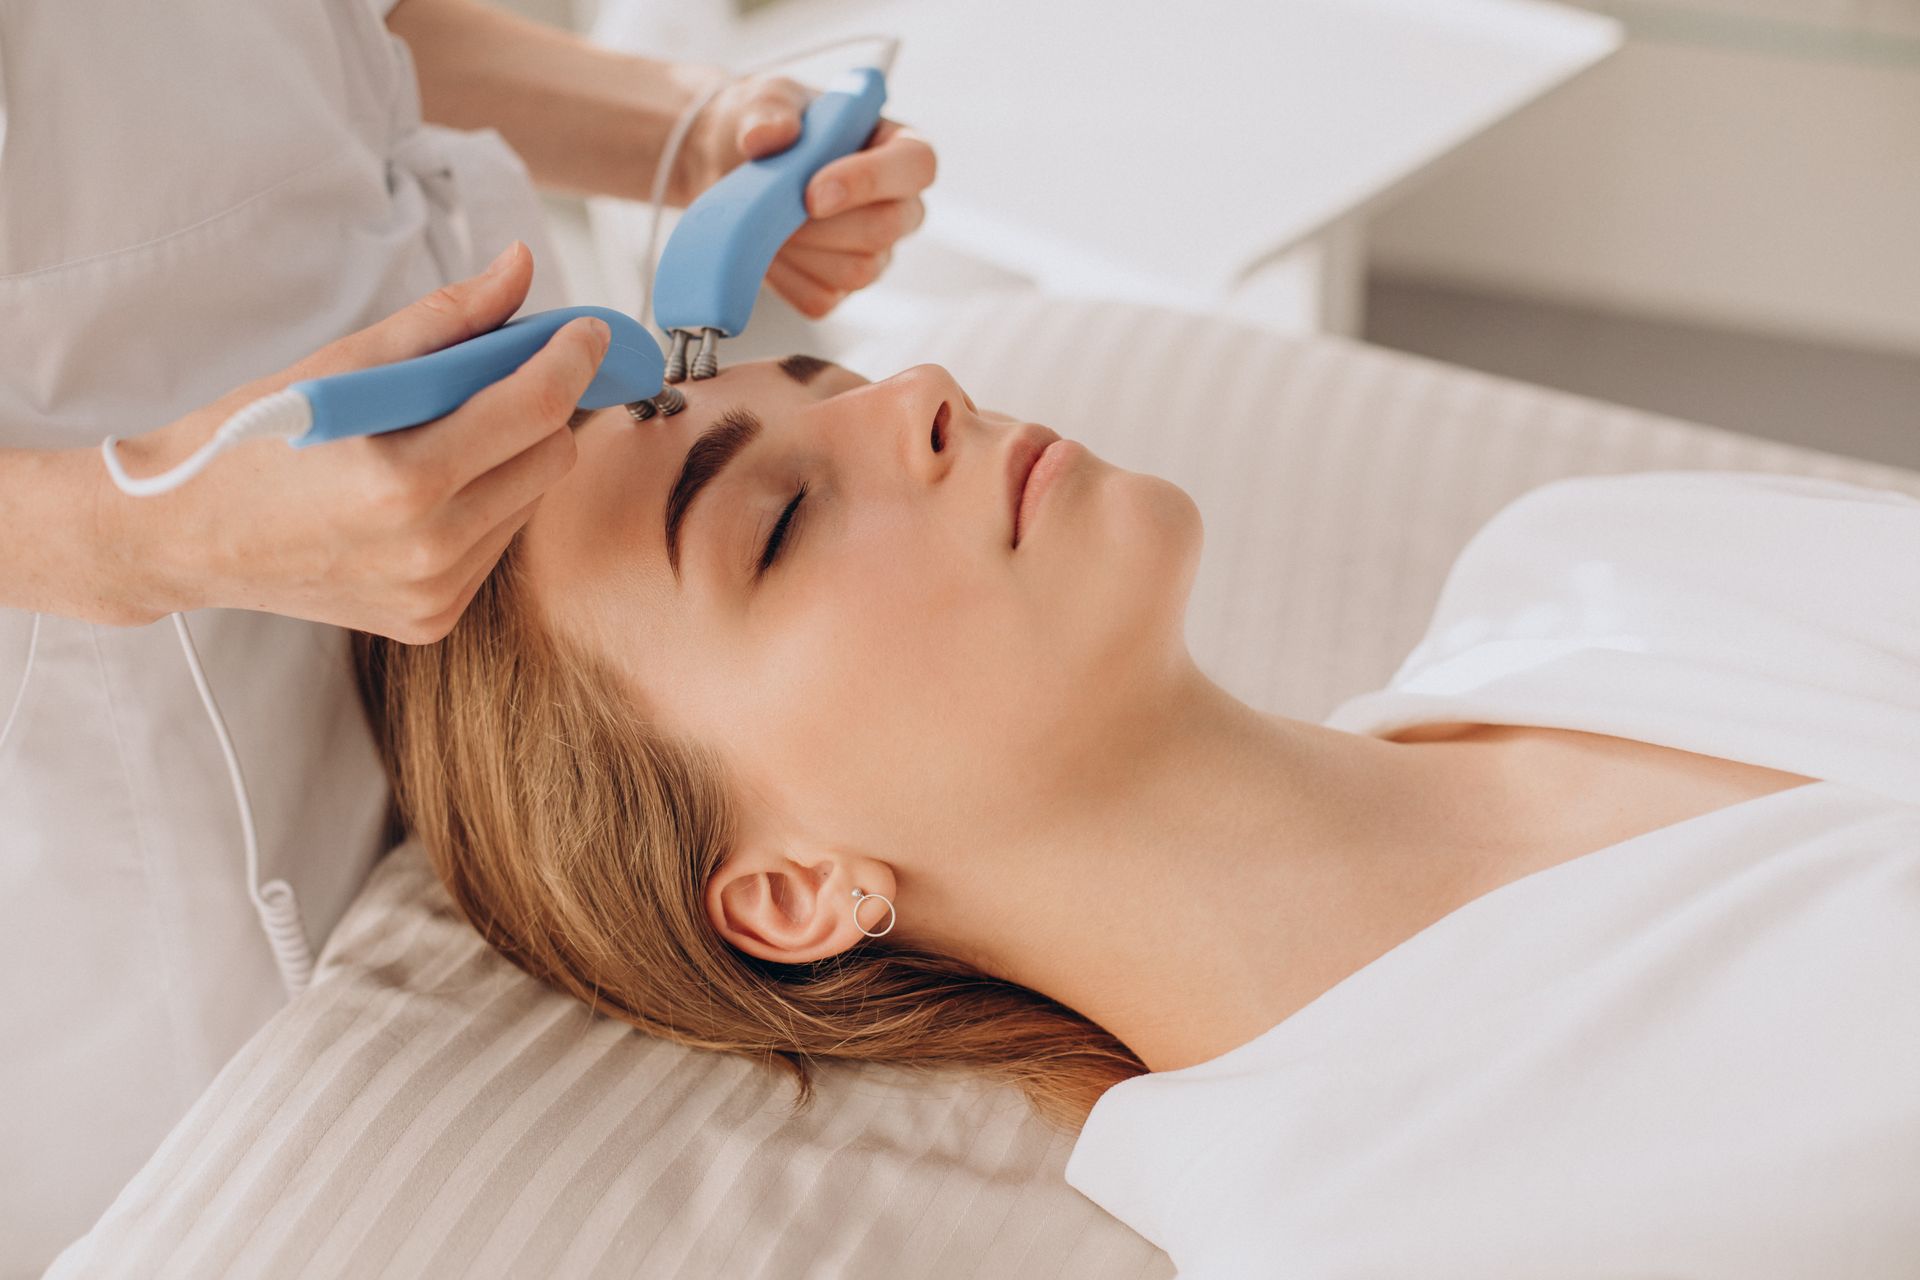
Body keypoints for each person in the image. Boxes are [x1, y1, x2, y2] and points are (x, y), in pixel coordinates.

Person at [354, 355, 1920, 1275]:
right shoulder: (1380, 1213)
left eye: (828, 376)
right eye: (778, 520)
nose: (920, 392)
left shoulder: (1587, 568)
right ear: (790, 894)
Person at [0, 1, 935, 1269]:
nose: (933, 393)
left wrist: (688, 128)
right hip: (132, 779)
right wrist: (141, 532)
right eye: (771, 530)